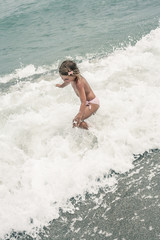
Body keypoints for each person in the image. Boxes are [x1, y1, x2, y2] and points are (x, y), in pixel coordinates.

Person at [56, 60, 100, 129]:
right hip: (88, 103)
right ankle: (91, 130)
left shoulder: (79, 83)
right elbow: (66, 82)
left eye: (66, 79)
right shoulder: (71, 78)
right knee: (76, 122)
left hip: (92, 103)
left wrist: (80, 113)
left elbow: (83, 101)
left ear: (72, 74)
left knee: (76, 122)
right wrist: (61, 86)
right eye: (62, 78)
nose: (64, 80)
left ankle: (95, 130)